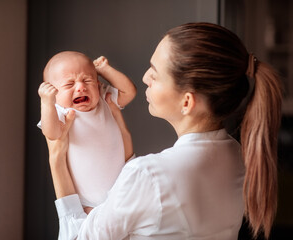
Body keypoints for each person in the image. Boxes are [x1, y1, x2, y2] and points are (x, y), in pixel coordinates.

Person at [45, 23, 282, 239]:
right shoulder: (237, 154)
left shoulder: (148, 176)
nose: (145, 78)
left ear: (187, 102)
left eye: (154, 73)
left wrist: (56, 160)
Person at [38, 51, 136, 208]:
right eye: (69, 84)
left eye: (87, 80)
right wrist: (47, 104)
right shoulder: (60, 111)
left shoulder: (104, 99)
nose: (81, 87)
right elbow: (52, 133)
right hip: (85, 202)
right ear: (54, 94)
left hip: (122, 191)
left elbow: (129, 92)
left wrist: (105, 70)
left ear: (98, 83)